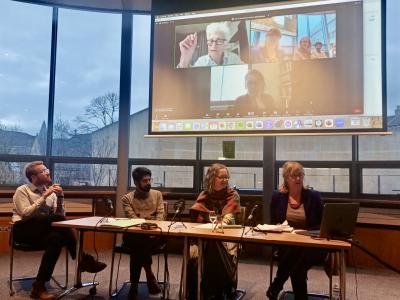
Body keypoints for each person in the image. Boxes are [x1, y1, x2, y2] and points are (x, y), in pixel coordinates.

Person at [12, 161, 106, 300]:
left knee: (55, 239)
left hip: (44, 232)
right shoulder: (23, 190)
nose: (48, 172)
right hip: (24, 230)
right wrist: (44, 197)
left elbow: (60, 217)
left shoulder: (52, 193)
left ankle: (38, 287)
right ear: (33, 176)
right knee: (55, 219)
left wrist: (61, 197)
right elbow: (26, 214)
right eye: (43, 170)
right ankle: (82, 259)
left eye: (47, 169)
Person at [266, 161, 327, 300]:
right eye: (294, 176)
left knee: (298, 251)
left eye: (300, 175)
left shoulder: (314, 196)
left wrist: (302, 232)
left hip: (313, 245)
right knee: (297, 265)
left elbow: (323, 224)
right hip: (286, 244)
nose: (298, 179)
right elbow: (274, 223)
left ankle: (277, 284)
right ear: (286, 178)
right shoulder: (277, 197)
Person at [188, 163, 241, 299]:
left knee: (213, 245)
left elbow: (227, 219)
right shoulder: (204, 195)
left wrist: (217, 225)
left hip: (226, 236)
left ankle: (212, 290)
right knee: (194, 253)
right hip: (203, 236)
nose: (225, 180)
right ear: (212, 178)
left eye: (227, 177)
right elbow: (196, 218)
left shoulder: (233, 195)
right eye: (221, 177)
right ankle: (197, 292)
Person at [121, 167, 165, 300]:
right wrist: (146, 224)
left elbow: (161, 216)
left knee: (138, 247)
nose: (148, 182)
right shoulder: (127, 198)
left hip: (155, 234)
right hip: (134, 235)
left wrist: (153, 229)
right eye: (145, 180)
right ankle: (150, 275)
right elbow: (133, 219)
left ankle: (134, 284)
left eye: (149, 180)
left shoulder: (157, 195)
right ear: (136, 182)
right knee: (140, 240)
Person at [177, 22, 243, 68]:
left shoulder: (234, 59)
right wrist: (184, 58)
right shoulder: (201, 62)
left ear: (225, 44)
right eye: (211, 41)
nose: (213, 46)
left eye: (219, 41)